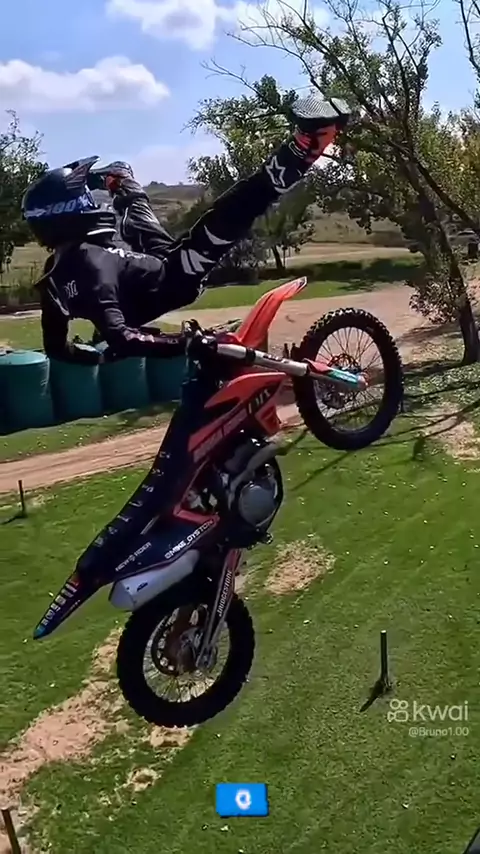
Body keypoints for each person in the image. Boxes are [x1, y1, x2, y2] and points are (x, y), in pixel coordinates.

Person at [22, 95, 351, 364]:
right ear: (70, 213)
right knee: (232, 211)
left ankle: (120, 178)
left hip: (150, 263)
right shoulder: (93, 264)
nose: (94, 205)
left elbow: (56, 348)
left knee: (133, 215)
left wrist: (93, 358)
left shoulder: (54, 277)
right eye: (86, 199)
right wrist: (187, 343)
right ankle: (303, 150)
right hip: (176, 276)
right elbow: (122, 337)